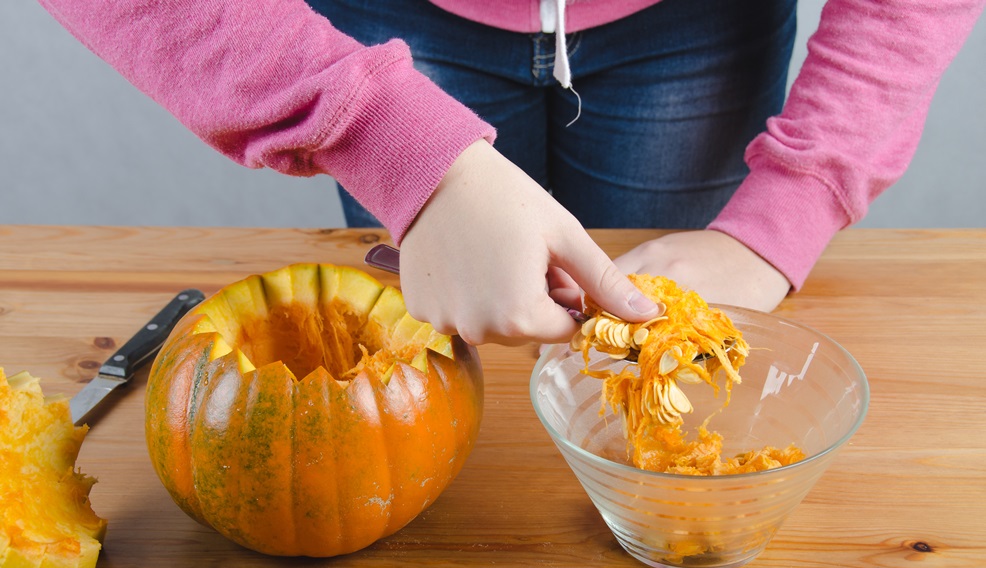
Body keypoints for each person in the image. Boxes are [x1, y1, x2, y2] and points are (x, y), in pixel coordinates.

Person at [38, 0, 985, 346]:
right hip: (381, 23)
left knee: (644, 357)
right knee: (452, 352)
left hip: (701, 29)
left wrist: (787, 211)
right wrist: (386, 139)